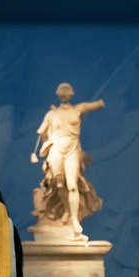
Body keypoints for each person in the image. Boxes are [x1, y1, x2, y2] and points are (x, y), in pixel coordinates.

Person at [31, 83, 104, 240]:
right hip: (56, 149)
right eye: (62, 92)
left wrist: (103, 101)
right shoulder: (51, 114)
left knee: (72, 184)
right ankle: (67, 213)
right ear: (59, 95)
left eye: (67, 92)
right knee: (59, 184)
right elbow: (41, 133)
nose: (64, 94)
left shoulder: (77, 109)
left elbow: (96, 105)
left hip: (71, 149)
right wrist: (42, 148)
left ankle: (74, 220)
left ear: (71, 95)